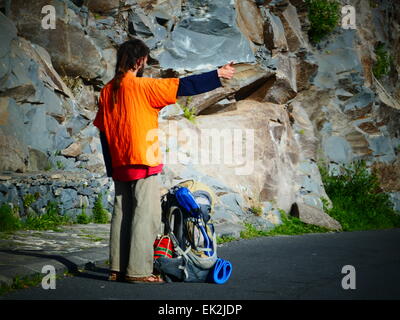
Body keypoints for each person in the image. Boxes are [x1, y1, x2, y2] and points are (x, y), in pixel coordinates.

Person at [93, 38, 235, 284]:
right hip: (143, 161)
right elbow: (183, 86)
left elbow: (103, 131)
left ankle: (116, 269)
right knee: (144, 216)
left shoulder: (107, 90)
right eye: (145, 60)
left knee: (122, 215)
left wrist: (111, 166)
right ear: (139, 61)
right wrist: (218, 74)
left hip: (119, 162)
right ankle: (138, 271)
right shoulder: (143, 87)